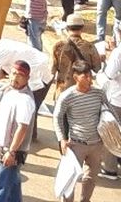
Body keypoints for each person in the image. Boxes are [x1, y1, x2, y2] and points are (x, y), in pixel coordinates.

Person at [52, 62, 108, 202]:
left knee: (90, 178)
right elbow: (57, 117)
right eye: (85, 76)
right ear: (76, 76)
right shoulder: (67, 96)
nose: (89, 79)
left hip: (96, 144)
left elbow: (109, 113)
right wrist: (62, 139)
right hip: (76, 144)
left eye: (90, 76)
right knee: (70, 178)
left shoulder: (99, 93)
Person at [0, 61, 36, 202]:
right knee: (13, 188)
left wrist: (11, 152)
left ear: (27, 78)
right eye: (14, 73)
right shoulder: (11, 91)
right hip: (5, 148)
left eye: (20, 75)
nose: (15, 78)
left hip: (12, 151)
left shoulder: (25, 100)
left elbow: (22, 128)